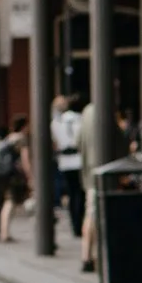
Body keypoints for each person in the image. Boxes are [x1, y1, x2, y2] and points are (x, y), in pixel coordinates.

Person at [0, 115, 32, 243]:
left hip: (4, 174)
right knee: (11, 202)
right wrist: (30, 176)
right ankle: (4, 232)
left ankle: (4, 231)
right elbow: (25, 160)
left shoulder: (9, 137)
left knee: (8, 201)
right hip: (13, 175)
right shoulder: (21, 139)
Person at [51, 93, 85, 242]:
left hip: (64, 160)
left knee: (72, 193)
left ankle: (74, 225)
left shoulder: (56, 123)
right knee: (79, 193)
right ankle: (79, 223)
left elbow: (55, 140)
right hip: (78, 159)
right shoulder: (80, 120)